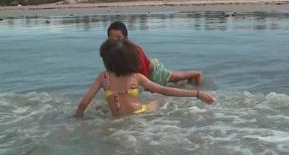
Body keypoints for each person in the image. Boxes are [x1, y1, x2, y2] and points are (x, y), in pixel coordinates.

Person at [75, 39, 215, 117]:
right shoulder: (137, 77)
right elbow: (165, 90)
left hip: (117, 118)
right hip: (140, 113)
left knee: (103, 107)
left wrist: (78, 117)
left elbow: (84, 103)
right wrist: (197, 93)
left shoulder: (102, 77)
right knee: (157, 101)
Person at [107, 21, 202, 86]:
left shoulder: (135, 51)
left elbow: (143, 72)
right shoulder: (111, 53)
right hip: (146, 67)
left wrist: (148, 87)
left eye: (119, 38)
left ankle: (195, 74)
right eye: (112, 39)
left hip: (155, 72)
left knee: (175, 77)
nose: (115, 42)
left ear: (126, 38)